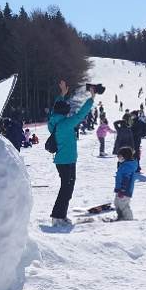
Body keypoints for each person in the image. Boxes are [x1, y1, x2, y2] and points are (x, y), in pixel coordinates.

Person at [48, 80, 98, 226]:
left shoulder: (53, 121)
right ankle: (58, 217)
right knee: (67, 189)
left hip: (62, 160)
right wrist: (91, 98)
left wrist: (61, 95)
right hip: (67, 161)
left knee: (66, 188)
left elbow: (54, 109)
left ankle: (59, 215)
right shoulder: (65, 124)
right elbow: (80, 115)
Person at [113, 146, 138, 220]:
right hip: (119, 188)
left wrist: (123, 190)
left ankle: (128, 219)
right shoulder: (124, 164)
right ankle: (120, 216)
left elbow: (126, 178)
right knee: (117, 203)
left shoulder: (128, 166)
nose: (118, 158)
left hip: (125, 190)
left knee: (124, 205)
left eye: (120, 156)